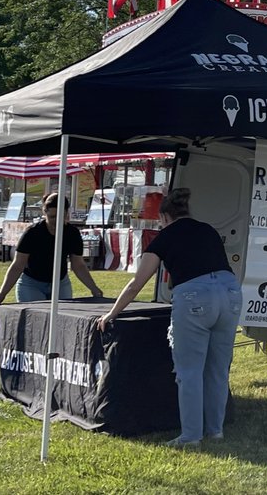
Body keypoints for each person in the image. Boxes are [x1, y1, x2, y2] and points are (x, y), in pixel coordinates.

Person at [97, 187, 242, 448]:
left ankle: (191, 436)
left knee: (189, 372)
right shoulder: (207, 229)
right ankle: (215, 430)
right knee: (218, 370)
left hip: (195, 298)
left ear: (164, 217)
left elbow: (136, 284)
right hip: (230, 293)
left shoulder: (164, 237)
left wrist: (112, 313)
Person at [0, 192, 103, 306]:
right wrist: (2, 293)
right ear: (44, 213)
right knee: (35, 319)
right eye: (52, 217)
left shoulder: (72, 233)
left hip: (60, 283)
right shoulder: (32, 233)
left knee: (62, 319)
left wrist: (93, 288)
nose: (56, 221)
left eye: (60, 216)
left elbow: (78, 265)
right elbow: (17, 265)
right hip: (31, 284)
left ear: (66, 213)